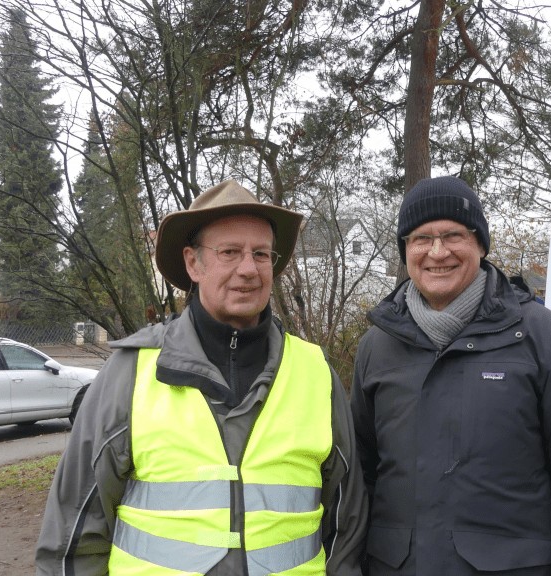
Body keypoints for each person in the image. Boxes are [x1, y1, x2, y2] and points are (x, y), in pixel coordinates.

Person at [36, 180, 367, 576]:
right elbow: (73, 536)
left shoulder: (315, 373)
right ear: (193, 264)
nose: (248, 269)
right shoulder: (130, 373)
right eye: (230, 252)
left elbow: (346, 527)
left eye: (261, 254)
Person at [350, 176, 551, 575]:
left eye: (453, 235)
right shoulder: (377, 347)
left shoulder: (546, 340)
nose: (437, 252)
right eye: (421, 238)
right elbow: (359, 480)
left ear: (480, 244)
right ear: (406, 249)